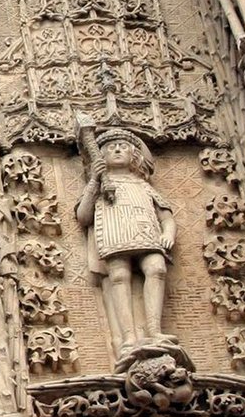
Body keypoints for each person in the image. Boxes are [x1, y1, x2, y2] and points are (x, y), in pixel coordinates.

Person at [75, 123, 176, 368]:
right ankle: (129, 337)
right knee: (119, 276)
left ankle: (154, 331)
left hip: (145, 233)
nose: (117, 150)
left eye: (123, 146)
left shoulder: (142, 185)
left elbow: (166, 215)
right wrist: (94, 182)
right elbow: (83, 216)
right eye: (110, 148)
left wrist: (169, 233)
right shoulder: (101, 186)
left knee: (157, 268)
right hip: (114, 235)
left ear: (135, 155)